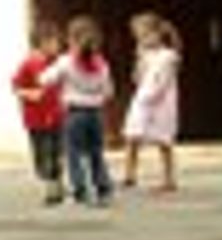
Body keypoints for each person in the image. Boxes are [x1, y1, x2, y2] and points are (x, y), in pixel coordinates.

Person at [41, 15, 117, 206]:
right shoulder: (101, 64)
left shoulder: (66, 62)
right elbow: (109, 91)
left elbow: (45, 79)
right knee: (96, 152)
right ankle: (103, 188)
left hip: (75, 113)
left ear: (71, 40)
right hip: (95, 113)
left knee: (73, 153)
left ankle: (80, 190)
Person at [120, 12, 182, 192]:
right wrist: (139, 61)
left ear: (157, 34)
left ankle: (169, 178)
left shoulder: (168, 56)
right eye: (139, 37)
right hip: (142, 100)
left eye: (145, 35)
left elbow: (163, 81)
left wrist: (151, 95)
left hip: (161, 102)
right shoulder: (144, 56)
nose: (142, 40)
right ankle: (130, 174)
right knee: (132, 135)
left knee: (164, 140)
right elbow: (136, 78)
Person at [11, 20, 70, 206]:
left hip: (57, 116)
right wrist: (30, 94)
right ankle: (48, 178)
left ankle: (55, 188)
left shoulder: (60, 63)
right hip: (36, 119)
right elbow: (16, 86)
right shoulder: (29, 63)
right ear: (41, 43)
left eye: (57, 42)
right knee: (42, 156)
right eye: (52, 42)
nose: (56, 46)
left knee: (56, 152)